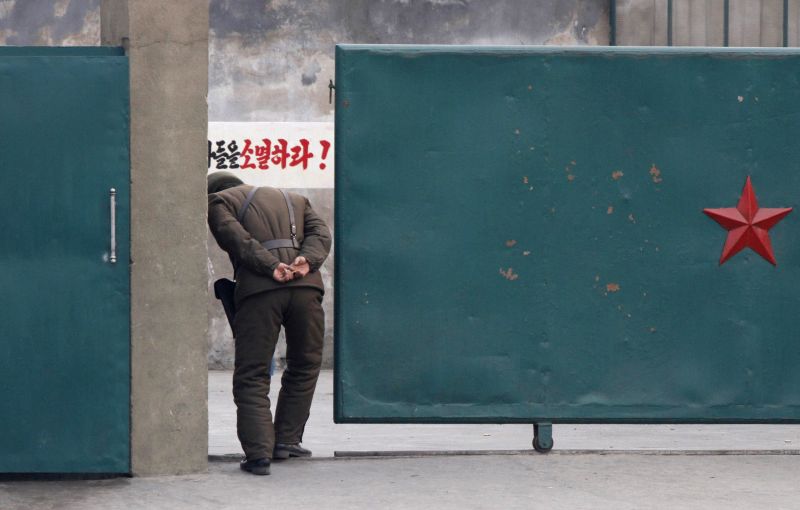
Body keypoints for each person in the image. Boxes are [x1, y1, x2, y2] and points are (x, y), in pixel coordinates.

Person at [207, 171, 331, 476]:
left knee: (252, 372)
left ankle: (259, 454)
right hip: (306, 288)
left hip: (261, 290)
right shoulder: (296, 199)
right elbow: (321, 236)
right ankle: (286, 441)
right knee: (304, 364)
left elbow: (236, 239)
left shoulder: (217, 201)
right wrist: (305, 262)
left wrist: (271, 265)